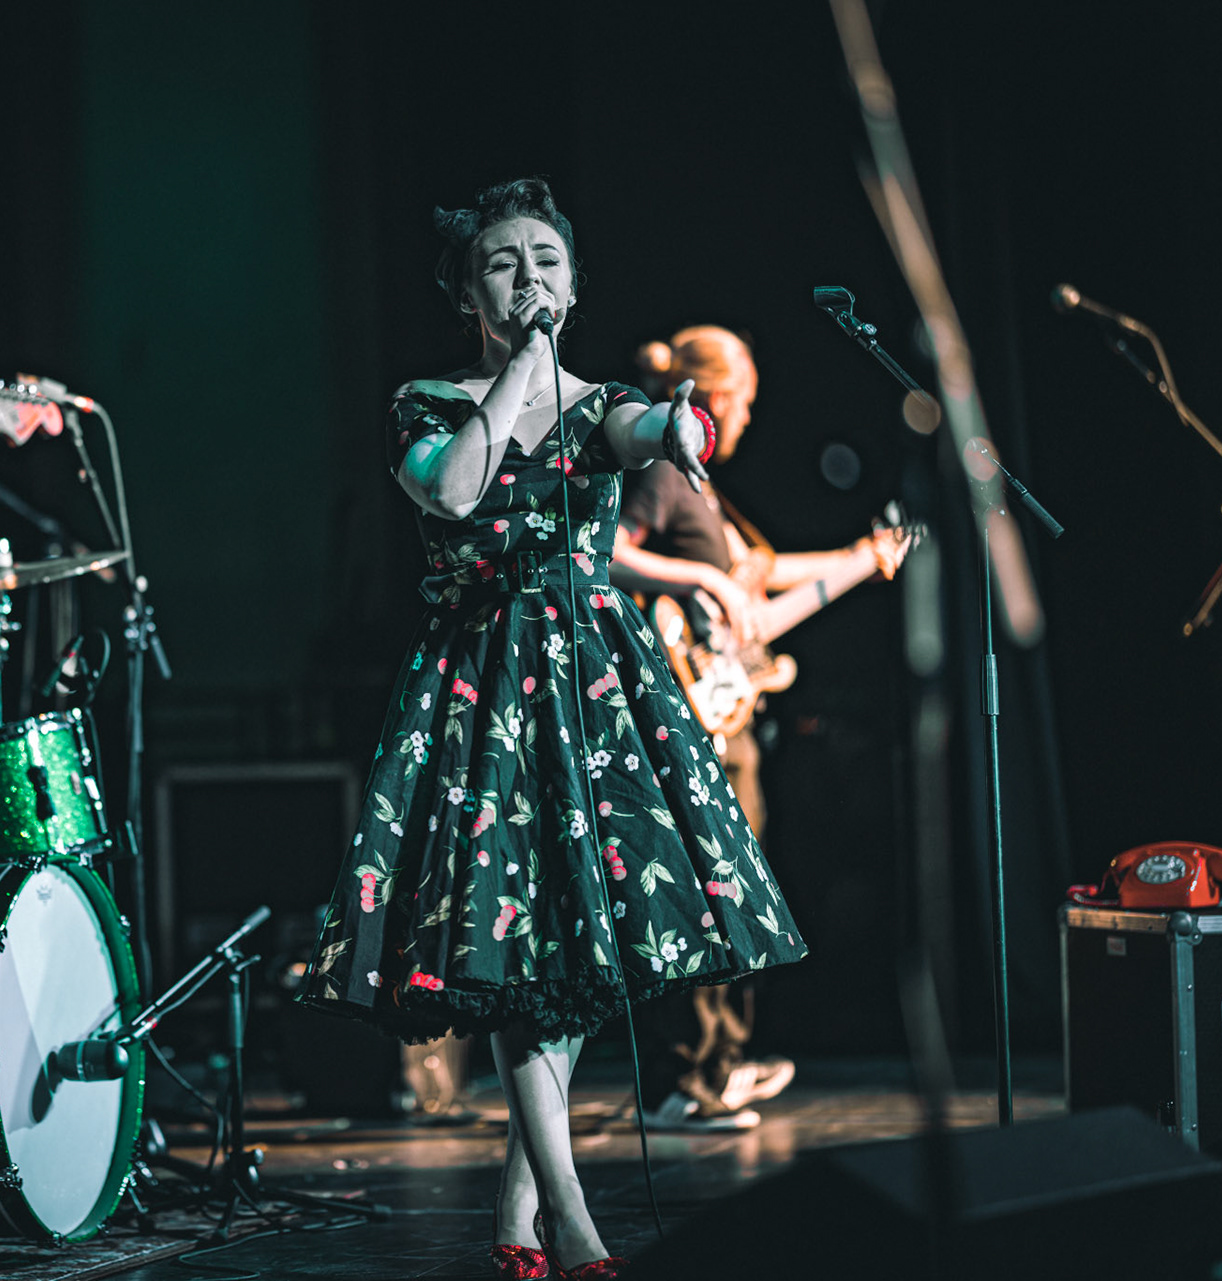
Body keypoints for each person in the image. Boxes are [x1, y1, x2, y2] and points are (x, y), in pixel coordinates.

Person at [297, 180, 808, 1281]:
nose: (528, 277)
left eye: (546, 259)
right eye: (502, 262)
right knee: (512, 948)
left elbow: (641, 432)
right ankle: (572, 1225)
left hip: (591, 687)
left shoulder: (602, 401)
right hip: (479, 688)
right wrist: (524, 372)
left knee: (575, 951)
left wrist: (678, 424)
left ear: (574, 283)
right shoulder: (427, 402)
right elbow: (457, 494)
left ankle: (519, 1208)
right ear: (468, 290)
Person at [611, 325, 903, 1129]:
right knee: (704, 890)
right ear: (711, 399)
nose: (744, 425)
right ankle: (684, 1080)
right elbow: (601, 553)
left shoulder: (707, 492)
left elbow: (762, 580)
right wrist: (703, 576)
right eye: (742, 406)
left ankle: (717, 1066)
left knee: (738, 888)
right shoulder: (664, 476)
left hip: (727, 718)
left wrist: (859, 556)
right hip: (689, 716)